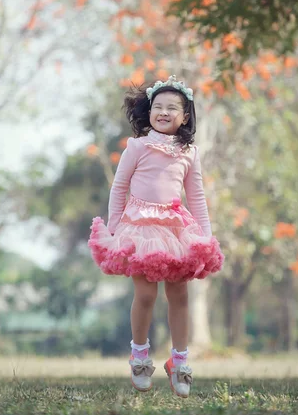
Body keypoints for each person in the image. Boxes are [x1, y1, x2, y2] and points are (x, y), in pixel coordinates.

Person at [88, 75, 224, 398]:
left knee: (179, 296)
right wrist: (114, 226)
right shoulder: (137, 146)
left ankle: (179, 362)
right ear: (149, 111)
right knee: (146, 295)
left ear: (185, 115)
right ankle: (139, 354)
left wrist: (205, 236)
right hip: (139, 227)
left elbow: (197, 196)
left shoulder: (189, 152)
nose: (163, 112)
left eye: (171, 108)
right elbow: (119, 187)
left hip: (175, 229)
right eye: (158, 107)